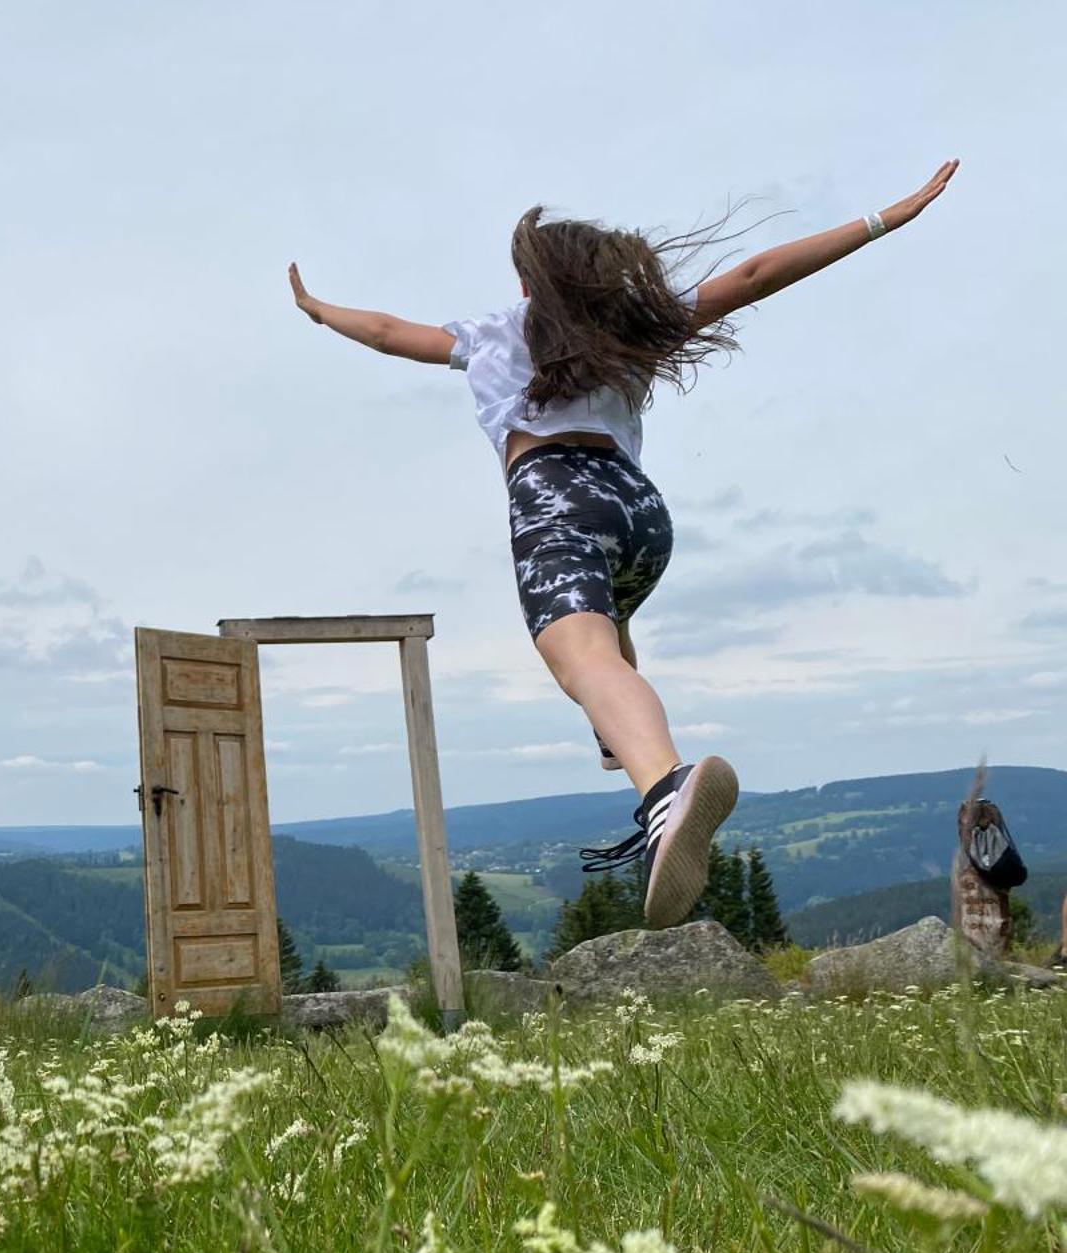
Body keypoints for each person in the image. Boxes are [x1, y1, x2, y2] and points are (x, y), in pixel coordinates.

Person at [287, 161, 959, 928]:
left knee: (585, 659)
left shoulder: (496, 332)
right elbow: (755, 274)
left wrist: (317, 309)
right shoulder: (633, 324)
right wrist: (879, 221)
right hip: (638, 516)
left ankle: (663, 786)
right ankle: (617, 731)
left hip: (556, 499)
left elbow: (383, 332)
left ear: (533, 283)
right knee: (608, 633)